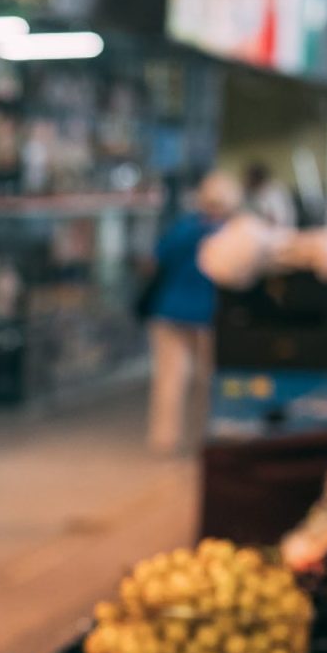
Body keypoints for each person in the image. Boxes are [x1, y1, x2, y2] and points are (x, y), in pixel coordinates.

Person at [141, 173, 240, 456]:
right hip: (209, 315)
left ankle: (165, 440)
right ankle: (209, 435)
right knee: (209, 380)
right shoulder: (231, 235)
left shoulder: (184, 228)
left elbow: (155, 261)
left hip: (170, 311)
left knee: (170, 379)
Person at [243, 161, 296, 230]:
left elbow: (279, 219)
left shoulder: (274, 191)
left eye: (249, 179)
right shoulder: (252, 193)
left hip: (283, 230)